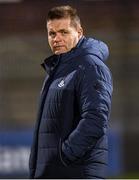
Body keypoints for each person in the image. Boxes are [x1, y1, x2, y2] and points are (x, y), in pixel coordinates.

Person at [29, 5, 113, 179]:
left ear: (79, 32)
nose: (57, 38)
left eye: (64, 32)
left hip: (75, 172)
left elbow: (95, 119)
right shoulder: (57, 69)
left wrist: (64, 156)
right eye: (52, 34)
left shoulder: (90, 66)